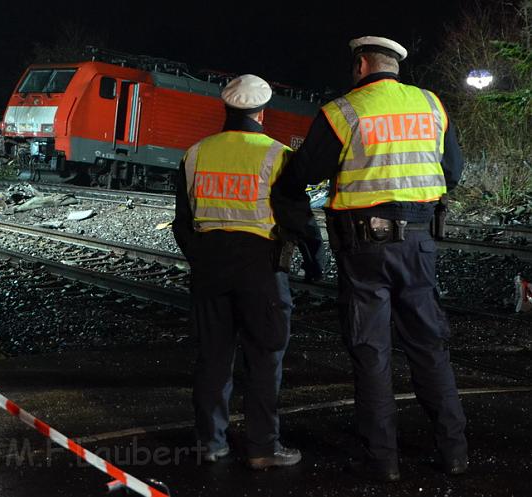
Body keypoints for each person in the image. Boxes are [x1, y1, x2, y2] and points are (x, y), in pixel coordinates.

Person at [271, 36, 468, 481]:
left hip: (363, 248)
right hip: (419, 242)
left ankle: (384, 462)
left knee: (371, 351)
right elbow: (452, 172)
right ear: (394, 67)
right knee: (429, 348)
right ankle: (455, 453)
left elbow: (304, 173)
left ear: (361, 64)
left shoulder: (344, 110)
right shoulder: (432, 105)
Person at [173, 74, 320, 470]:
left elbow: (181, 223)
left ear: (227, 107)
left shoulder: (196, 153)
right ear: (261, 112)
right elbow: (298, 219)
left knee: (213, 358)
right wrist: (314, 259)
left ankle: (210, 443)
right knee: (264, 358)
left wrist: (202, 256)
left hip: (209, 267)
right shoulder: (277, 155)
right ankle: (262, 448)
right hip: (261, 268)